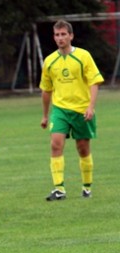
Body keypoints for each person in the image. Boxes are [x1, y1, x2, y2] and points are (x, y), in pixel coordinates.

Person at [40, 19, 104, 201]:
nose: (60, 38)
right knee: (55, 144)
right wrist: (45, 115)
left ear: (71, 36)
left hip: (82, 110)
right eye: (57, 35)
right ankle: (59, 189)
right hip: (60, 109)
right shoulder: (49, 61)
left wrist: (91, 107)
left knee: (83, 148)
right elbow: (46, 90)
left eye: (63, 34)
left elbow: (94, 82)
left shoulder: (84, 56)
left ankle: (87, 187)